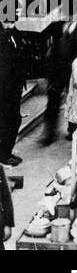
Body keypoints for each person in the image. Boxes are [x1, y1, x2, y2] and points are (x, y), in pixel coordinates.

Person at [0, 21, 22, 167]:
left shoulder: (15, 34)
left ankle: (8, 151)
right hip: (4, 89)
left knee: (15, 119)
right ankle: (4, 155)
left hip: (15, 87)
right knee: (6, 121)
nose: (10, 23)